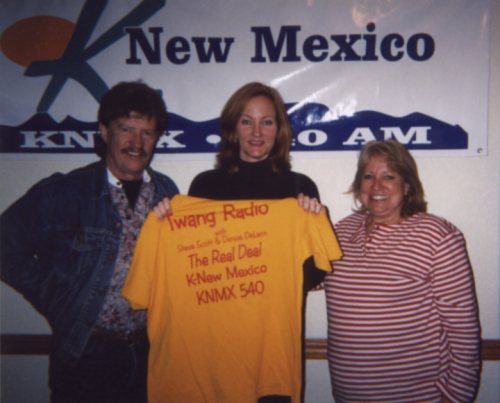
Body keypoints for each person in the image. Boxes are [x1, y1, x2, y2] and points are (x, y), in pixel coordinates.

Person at [150, 81, 333, 403]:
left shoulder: (299, 188)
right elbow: (191, 266)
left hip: (270, 351)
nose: (257, 132)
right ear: (233, 127)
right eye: (247, 121)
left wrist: (314, 221)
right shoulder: (204, 186)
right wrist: (166, 220)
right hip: (213, 351)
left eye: (267, 121)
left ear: (279, 129)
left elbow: (314, 275)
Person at [0, 81, 179, 403]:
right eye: (126, 129)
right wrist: (54, 294)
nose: (137, 143)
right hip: (86, 354)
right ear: (105, 132)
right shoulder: (66, 192)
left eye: (147, 133)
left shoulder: (168, 192)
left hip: (149, 354)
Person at [324, 140, 481, 403]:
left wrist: (455, 397)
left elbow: (463, 328)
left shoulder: (437, 236)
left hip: (419, 396)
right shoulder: (341, 230)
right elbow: (306, 279)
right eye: (368, 176)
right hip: (348, 395)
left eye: (389, 176)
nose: (376, 186)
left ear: (407, 185)